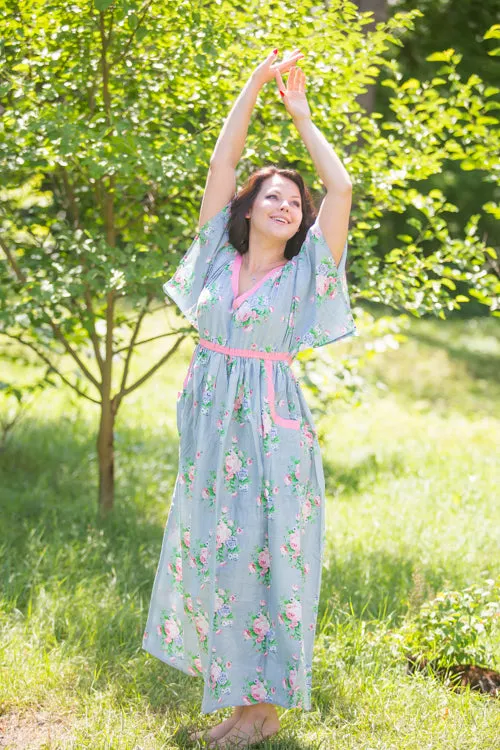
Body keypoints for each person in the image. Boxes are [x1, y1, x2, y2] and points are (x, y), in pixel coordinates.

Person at [142, 48, 357, 748]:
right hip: (207, 424)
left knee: (268, 553)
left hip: (272, 430)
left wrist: (300, 115)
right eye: (274, 195)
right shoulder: (215, 257)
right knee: (215, 552)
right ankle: (238, 702)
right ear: (247, 209)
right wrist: (252, 85)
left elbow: (343, 188)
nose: (288, 205)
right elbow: (222, 165)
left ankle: (265, 710)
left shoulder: (306, 275)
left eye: (295, 200)